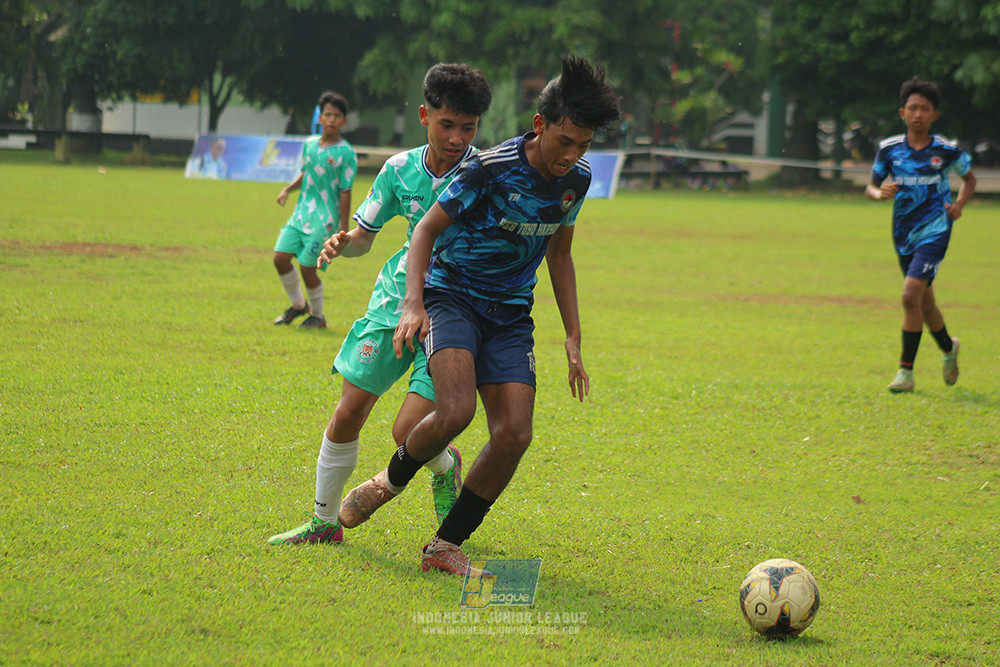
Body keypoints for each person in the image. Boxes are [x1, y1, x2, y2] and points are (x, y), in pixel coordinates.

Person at [337, 55, 621, 575]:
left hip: (511, 314)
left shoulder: (575, 180)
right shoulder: (488, 168)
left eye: (584, 145)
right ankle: (388, 482)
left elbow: (560, 254)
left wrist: (574, 337)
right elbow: (423, 231)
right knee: (456, 410)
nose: (573, 154)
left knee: (514, 433)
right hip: (453, 297)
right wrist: (413, 302)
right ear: (540, 125)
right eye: (565, 141)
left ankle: (444, 546)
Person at [267, 64, 493, 545]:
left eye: (467, 128)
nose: (456, 138)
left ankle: (444, 463)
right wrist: (342, 241)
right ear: (424, 115)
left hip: (454, 309)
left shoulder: (486, 174)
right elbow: (365, 237)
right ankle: (324, 522)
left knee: (409, 430)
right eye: (446, 124)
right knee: (349, 410)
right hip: (395, 300)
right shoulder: (399, 170)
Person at [866, 77, 976, 393]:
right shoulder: (889, 149)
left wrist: (958, 205)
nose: (918, 114)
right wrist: (878, 193)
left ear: (933, 116)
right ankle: (948, 348)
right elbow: (870, 186)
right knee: (924, 304)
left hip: (935, 229)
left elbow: (969, 179)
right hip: (903, 232)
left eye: (925, 109)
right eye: (912, 108)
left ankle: (905, 373)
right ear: (902, 112)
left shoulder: (946, 149)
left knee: (908, 296)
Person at [272, 91, 357, 329]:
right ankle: (299, 306)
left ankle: (318, 316)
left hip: (325, 220)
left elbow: (345, 190)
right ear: (320, 118)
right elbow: (307, 173)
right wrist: (287, 190)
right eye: (327, 114)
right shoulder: (309, 145)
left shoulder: (346, 153)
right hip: (301, 215)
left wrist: (344, 230)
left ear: (344, 121)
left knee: (308, 268)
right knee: (280, 258)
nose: (331, 120)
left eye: (337, 116)